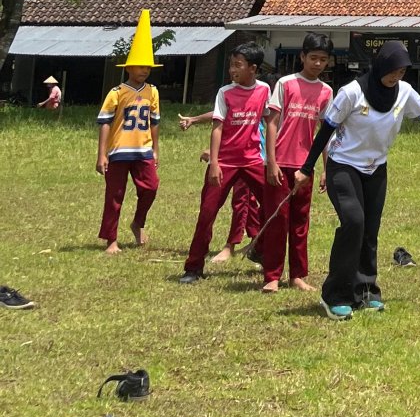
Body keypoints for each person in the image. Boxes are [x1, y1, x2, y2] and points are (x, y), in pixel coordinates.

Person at [293, 40, 420, 321]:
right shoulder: (352, 93)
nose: (396, 77)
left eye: (401, 72)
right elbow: (326, 130)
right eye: (392, 71)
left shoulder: (404, 92)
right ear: (381, 66)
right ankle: (334, 295)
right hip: (344, 166)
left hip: (376, 169)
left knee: (370, 229)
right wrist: (307, 168)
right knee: (354, 223)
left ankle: (367, 291)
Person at [179, 45, 269, 283]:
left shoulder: (265, 91)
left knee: (275, 206)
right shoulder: (225, 92)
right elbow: (217, 127)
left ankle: (264, 254)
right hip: (226, 162)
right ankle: (193, 268)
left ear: (253, 68)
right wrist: (215, 163)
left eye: (238, 65)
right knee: (207, 213)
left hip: (253, 160)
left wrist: (271, 160)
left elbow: (271, 123)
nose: (232, 70)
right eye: (231, 64)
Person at [259, 33, 334, 294]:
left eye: (323, 59)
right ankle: (271, 275)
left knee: (300, 221)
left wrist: (326, 168)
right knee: (277, 219)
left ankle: (298, 275)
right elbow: (271, 123)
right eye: (313, 58)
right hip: (280, 163)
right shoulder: (286, 84)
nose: (317, 64)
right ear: (302, 57)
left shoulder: (326, 91)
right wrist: (271, 161)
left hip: (305, 166)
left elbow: (326, 132)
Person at [95, 49, 162, 253]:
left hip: (143, 150)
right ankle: (111, 239)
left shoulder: (153, 91)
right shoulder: (116, 92)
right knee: (115, 195)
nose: (145, 71)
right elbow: (105, 123)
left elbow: (155, 122)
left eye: (148, 67)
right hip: (118, 151)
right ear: (129, 68)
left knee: (151, 187)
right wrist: (102, 154)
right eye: (141, 66)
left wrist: (155, 148)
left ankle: (137, 222)